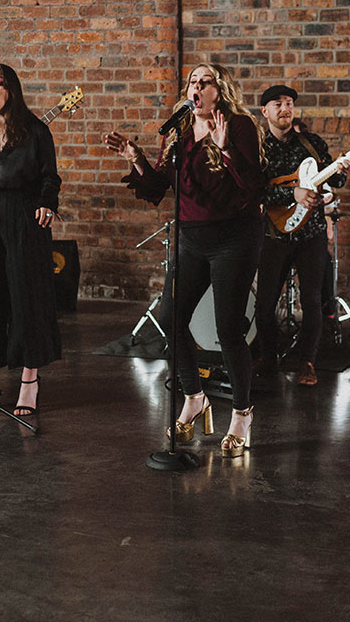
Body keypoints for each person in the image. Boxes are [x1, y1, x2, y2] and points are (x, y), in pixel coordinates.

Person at [104, 63, 267, 457]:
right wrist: (136, 158)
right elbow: (161, 185)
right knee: (170, 318)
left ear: (220, 90)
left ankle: (242, 414)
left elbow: (255, 186)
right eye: (192, 82)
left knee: (229, 330)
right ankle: (195, 398)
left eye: (205, 82)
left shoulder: (239, 126)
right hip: (191, 238)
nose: (196, 88)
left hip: (234, 238)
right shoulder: (178, 129)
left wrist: (225, 148)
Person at [0, 64, 61, 416]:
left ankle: (29, 382)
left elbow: (50, 177)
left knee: (25, 299)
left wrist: (47, 204)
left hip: (24, 218)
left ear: (11, 90)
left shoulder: (36, 130)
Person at [254, 85, 348, 386]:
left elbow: (336, 182)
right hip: (274, 235)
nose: (285, 109)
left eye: (289, 103)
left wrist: (340, 170)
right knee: (264, 304)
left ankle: (307, 362)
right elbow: (253, 190)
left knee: (312, 301)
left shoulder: (312, 143)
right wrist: (291, 194)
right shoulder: (257, 148)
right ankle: (268, 360)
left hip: (312, 234)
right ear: (265, 111)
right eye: (278, 104)